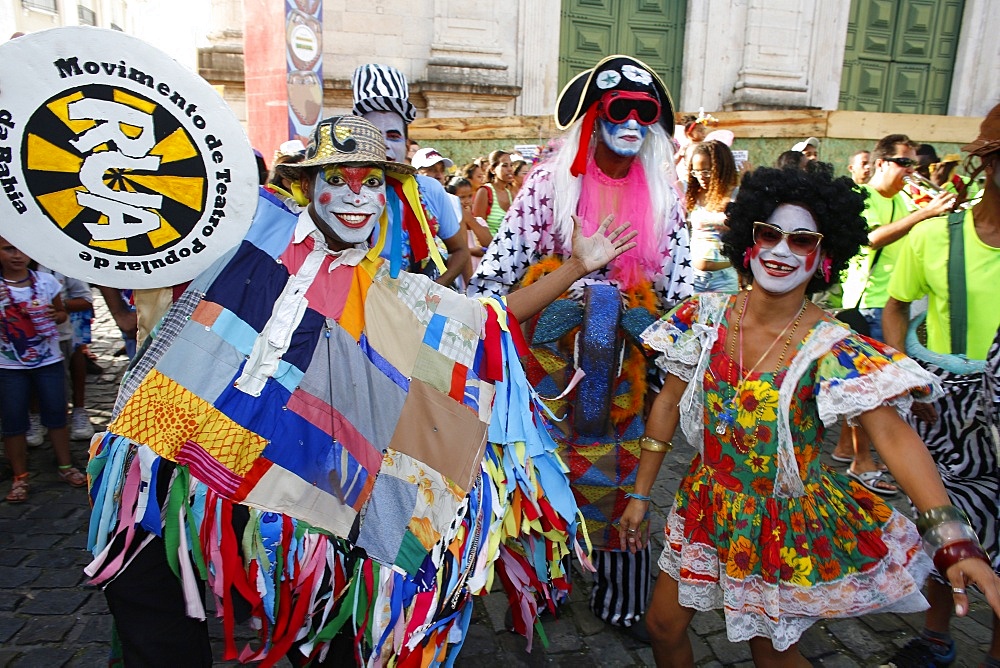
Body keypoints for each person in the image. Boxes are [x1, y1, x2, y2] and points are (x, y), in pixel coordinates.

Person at [86, 115, 637, 666]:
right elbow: (156, 216)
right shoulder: (250, 226)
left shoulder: (388, 295)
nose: (356, 195)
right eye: (339, 177)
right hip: (170, 442)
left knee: (319, 618)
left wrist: (577, 266)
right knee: (146, 599)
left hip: (282, 480)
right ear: (306, 186)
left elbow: (486, 319)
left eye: (372, 182)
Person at [617, 166, 1000, 666]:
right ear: (748, 242)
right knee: (663, 627)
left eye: (801, 240)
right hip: (705, 504)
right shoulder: (704, 318)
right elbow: (667, 403)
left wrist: (952, 538)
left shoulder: (833, 347)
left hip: (778, 521)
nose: (780, 251)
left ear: (823, 257)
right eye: (769, 234)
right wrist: (642, 495)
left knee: (770, 653)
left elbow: (894, 437)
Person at [470, 54, 693, 637]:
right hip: (545, 366)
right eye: (622, 109)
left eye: (647, 114)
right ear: (595, 116)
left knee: (621, 478)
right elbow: (493, 281)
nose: (634, 124)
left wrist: (658, 336)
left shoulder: (667, 199)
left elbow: (683, 296)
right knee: (542, 470)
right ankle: (543, 586)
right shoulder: (547, 187)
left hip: (624, 370)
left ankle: (621, 597)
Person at [881, 103, 1000, 668]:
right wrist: (907, 378)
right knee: (939, 518)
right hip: (948, 408)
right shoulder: (933, 236)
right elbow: (896, 307)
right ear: (989, 162)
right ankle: (937, 633)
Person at [834, 134, 958, 494]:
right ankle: (863, 461)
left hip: (894, 302)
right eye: (905, 163)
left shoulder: (904, 199)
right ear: (882, 163)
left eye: (914, 165)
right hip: (868, 302)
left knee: (869, 387)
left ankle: (848, 449)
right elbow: (870, 239)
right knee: (872, 389)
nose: (911, 171)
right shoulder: (864, 197)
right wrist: (925, 213)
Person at [350, 63, 470, 288]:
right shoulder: (342, 194)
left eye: (393, 136)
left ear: (406, 145)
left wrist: (429, 295)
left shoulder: (429, 189)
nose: (384, 145)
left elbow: (460, 250)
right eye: (374, 135)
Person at [1, 237, 86, 503]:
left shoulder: (46, 282)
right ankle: (20, 476)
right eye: (8, 249)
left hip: (49, 360)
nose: (17, 255)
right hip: (9, 365)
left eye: (22, 248)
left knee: (56, 413)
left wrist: (54, 315)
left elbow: (62, 313)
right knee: (13, 420)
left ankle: (65, 466)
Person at [686, 139, 740, 294]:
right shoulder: (692, 195)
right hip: (693, 277)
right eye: (696, 172)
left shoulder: (736, 195)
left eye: (707, 171)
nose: (701, 177)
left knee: (722, 318)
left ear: (721, 169)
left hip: (724, 279)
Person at [471, 149, 515, 237]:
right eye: (504, 165)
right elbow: (478, 227)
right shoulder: (485, 191)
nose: (510, 169)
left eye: (511, 165)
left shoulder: (510, 194)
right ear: (492, 169)